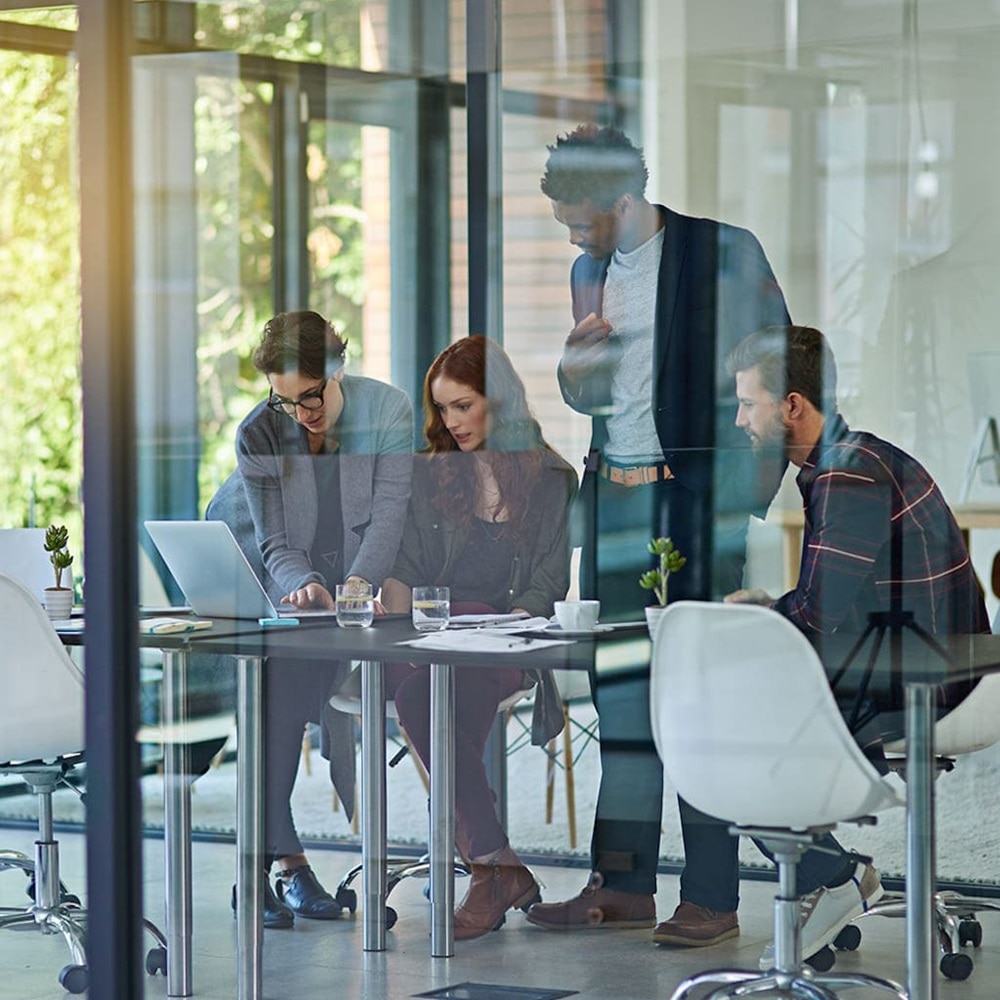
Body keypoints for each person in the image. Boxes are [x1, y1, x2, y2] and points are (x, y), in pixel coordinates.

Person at [526, 124, 791, 941]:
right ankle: (623, 883)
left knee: (700, 705)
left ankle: (712, 895)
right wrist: (574, 369)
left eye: (583, 222)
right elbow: (595, 400)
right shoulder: (589, 272)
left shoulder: (721, 253)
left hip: (690, 505)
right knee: (621, 701)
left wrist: (736, 503)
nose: (574, 240)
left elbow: (781, 368)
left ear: (623, 197)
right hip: (615, 501)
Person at [714, 323, 989, 966]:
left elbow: (819, 615)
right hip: (921, 663)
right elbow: (833, 604)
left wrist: (757, 620)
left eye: (748, 403)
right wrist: (769, 613)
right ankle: (832, 876)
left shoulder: (846, 474)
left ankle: (833, 879)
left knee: (721, 726)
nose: (740, 420)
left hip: (926, 681)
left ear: (792, 405)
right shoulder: (848, 460)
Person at [208, 310, 413, 928]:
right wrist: (303, 587)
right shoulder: (260, 432)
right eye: (285, 400)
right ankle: (280, 866)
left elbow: (388, 514)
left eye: (311, 396)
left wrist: (356, 585)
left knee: (291, 695)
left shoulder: (387, 411)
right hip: (261, 567)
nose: (301, 414)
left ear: (337, 368)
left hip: (350, 573)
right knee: (273, 697)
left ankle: (268, 869)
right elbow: (273, 543)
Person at [381, 334, 577, 940]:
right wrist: (386, 600)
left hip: (507, 642)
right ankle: (493, 865)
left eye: (463, 405)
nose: (452, 422)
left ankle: (489, 867)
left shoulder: (552, 478)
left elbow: (547, 585)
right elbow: (408, 569)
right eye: (443, 409)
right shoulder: (430, 473)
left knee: (422, 699)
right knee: (421, 687)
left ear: (500, 400)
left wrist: (495, 624)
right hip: (429, 638)